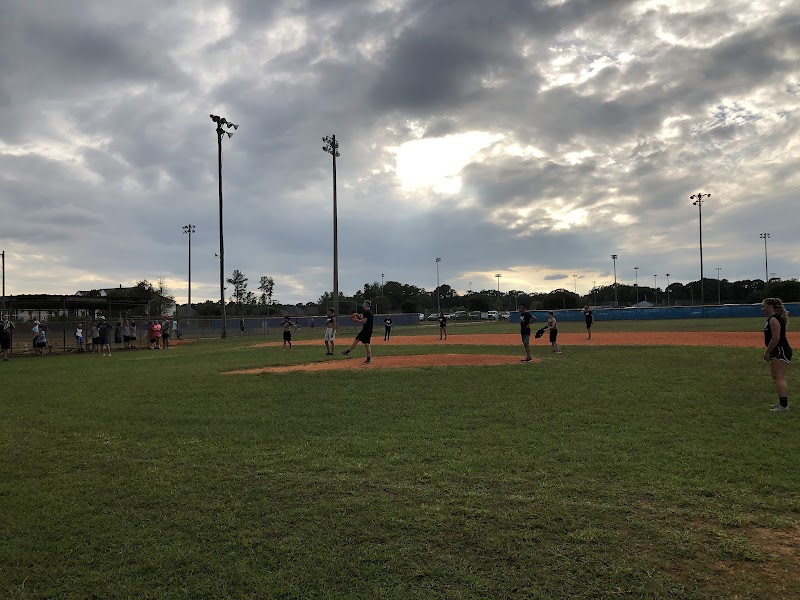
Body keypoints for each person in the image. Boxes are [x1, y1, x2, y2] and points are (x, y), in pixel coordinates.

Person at [762, 298, 792, 412]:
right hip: (777, 350)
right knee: (776, 377)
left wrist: (767, 352)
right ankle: (782, 403)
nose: (762, 309)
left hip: (780, 350)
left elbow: (776, 338)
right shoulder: (771, 319)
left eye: (764, 306)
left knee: (779, 378)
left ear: (770, 306)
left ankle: (784, 406)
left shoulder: (774, 319)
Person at [340, 300, 374, 364]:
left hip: (366, 330)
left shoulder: (367, 312)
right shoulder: (369, 312)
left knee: (362, 342)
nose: (362, 305)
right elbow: (364, 318)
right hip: (368, 330)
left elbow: (364, 321)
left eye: (364, 304)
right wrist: (360, 316)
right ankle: (368, 359)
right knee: (364, 343)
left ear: (366, 305)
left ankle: (347, 352)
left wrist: (357, 320)